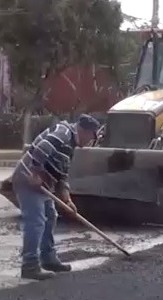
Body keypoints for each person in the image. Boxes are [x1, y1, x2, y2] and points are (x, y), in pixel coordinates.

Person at [11, 114, 101, 280]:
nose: (91, 140)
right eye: (92, 136)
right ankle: (29, 266)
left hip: (43, 185)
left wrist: (68, 200)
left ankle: (48, 259)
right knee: (36, 221)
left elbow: (62, 175)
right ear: (84, 131)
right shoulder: (63, 132)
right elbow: (41, 149)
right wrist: (35, 172)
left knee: (50, 216)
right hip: (27, 179)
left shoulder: (70, 146)